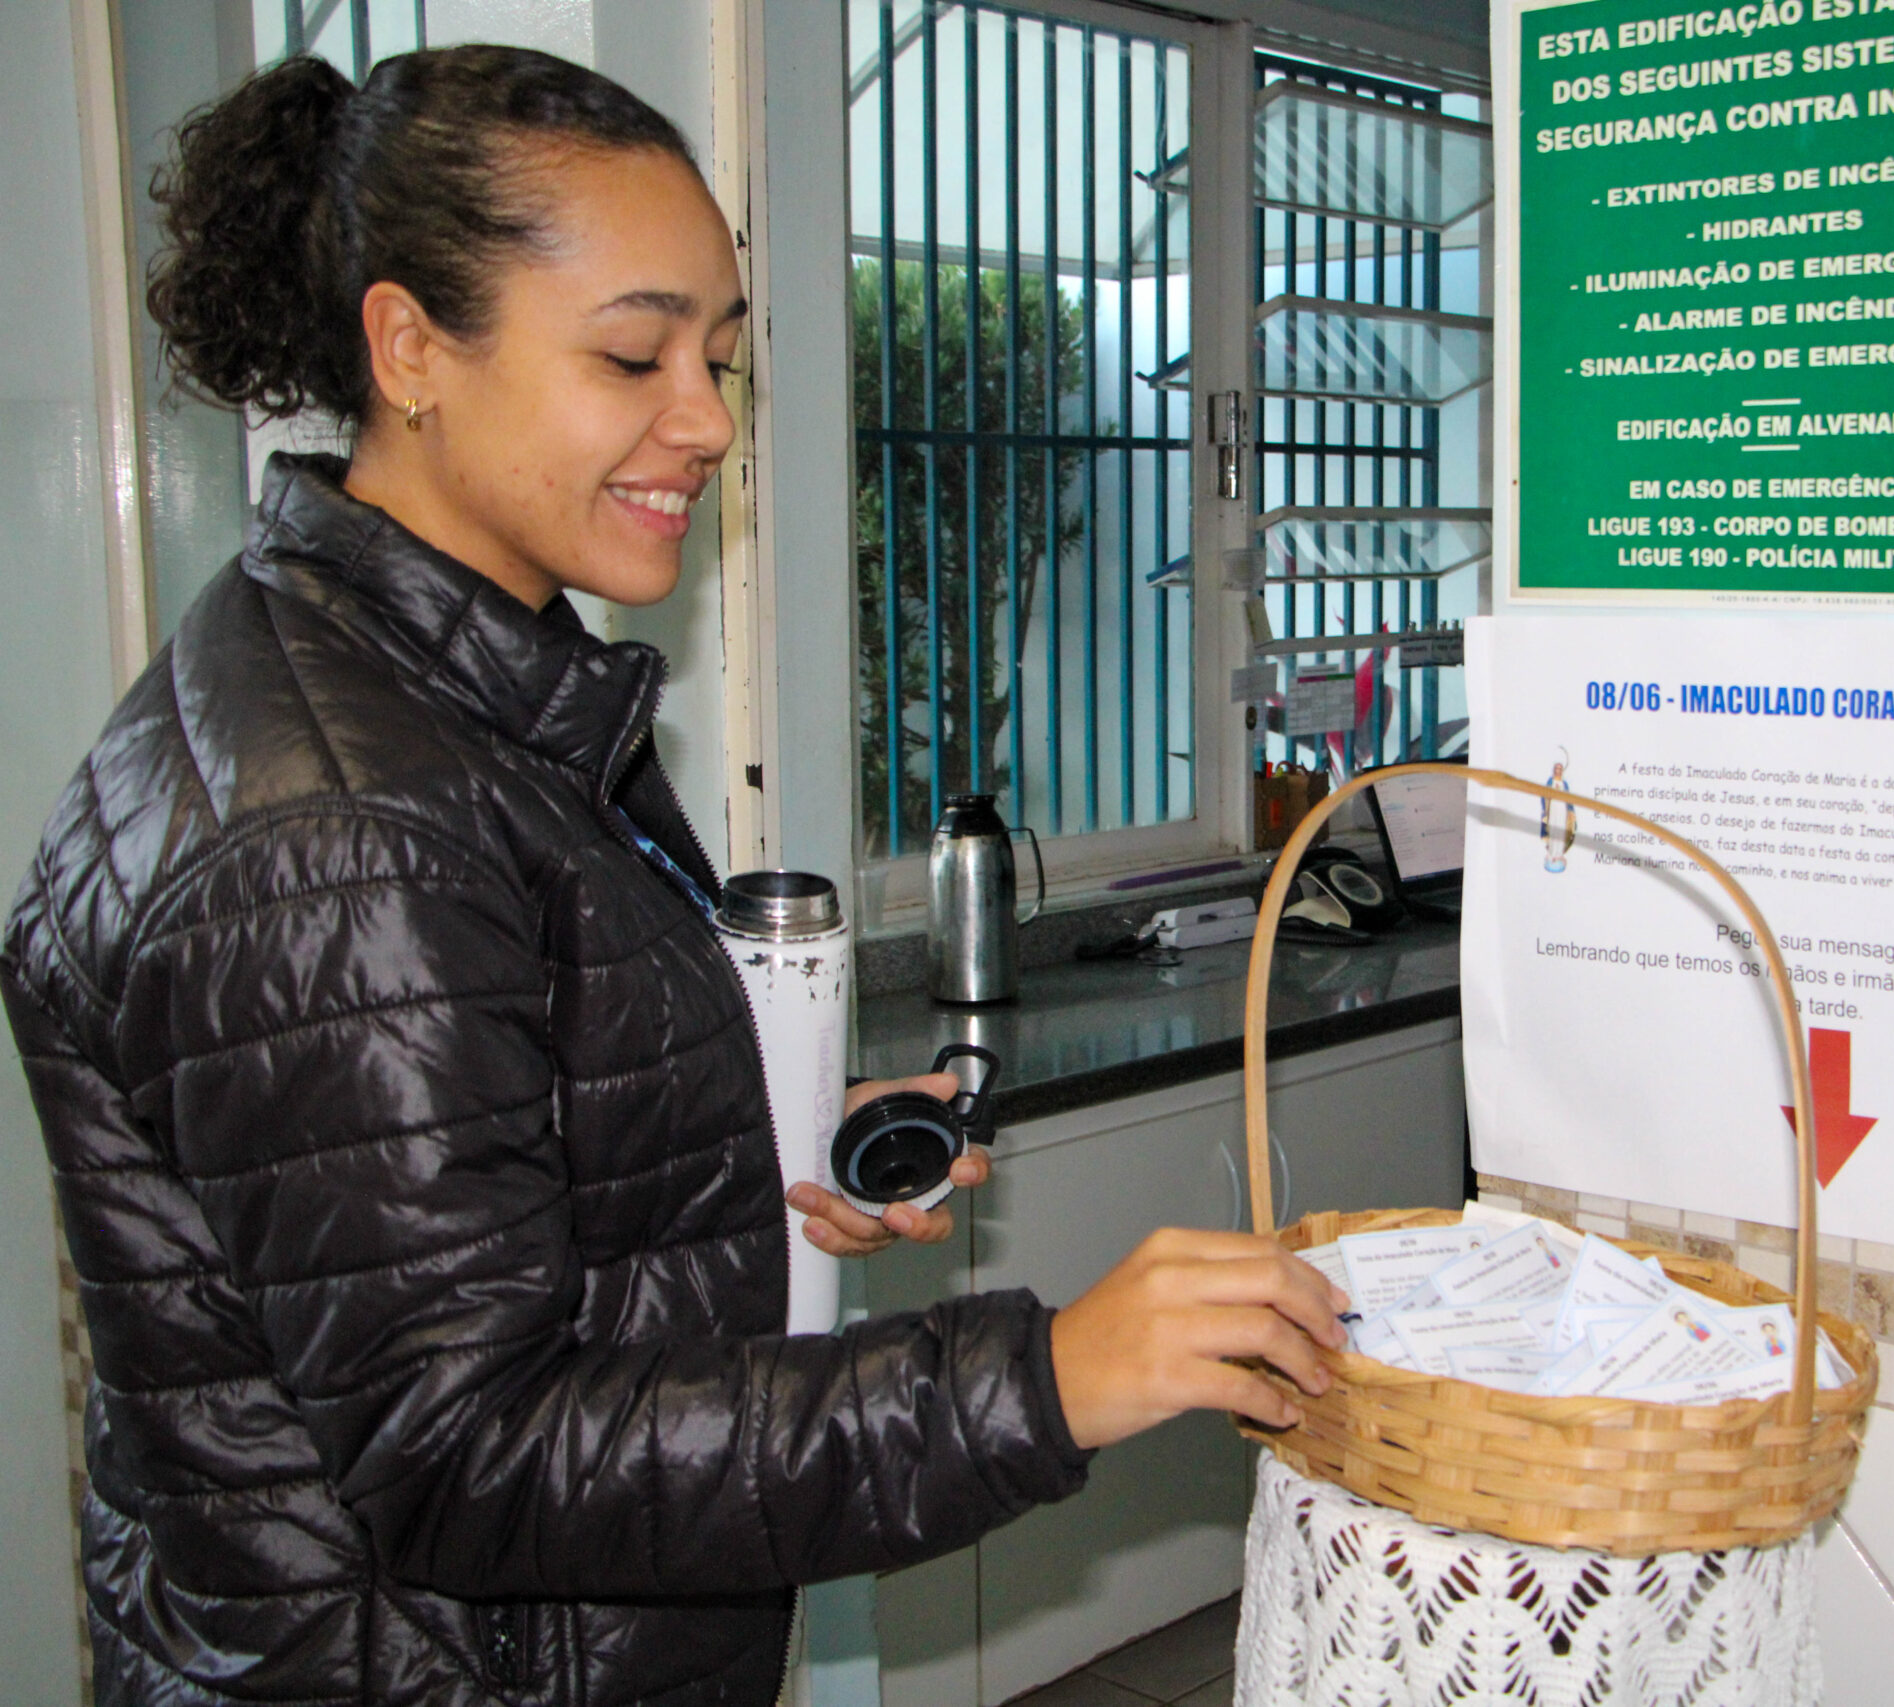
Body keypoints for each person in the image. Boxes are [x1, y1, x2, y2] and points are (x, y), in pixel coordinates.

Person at [0, 46, 1343, 1707]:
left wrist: (734, 1135)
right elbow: (471, 1455)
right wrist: (1049, 1378)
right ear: (409, 349)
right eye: (633, 354)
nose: (705, 421)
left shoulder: (464, 694)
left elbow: (474, 1146)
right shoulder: (336, 828)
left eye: (719, 356)